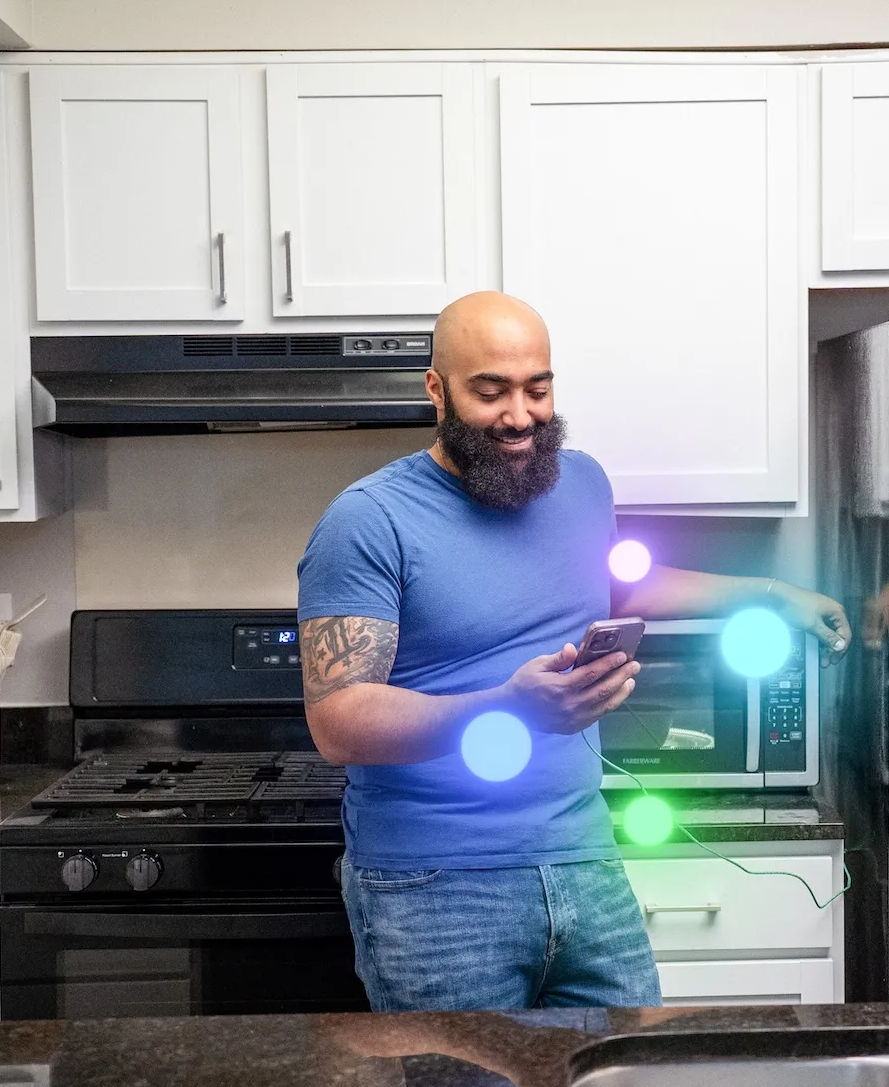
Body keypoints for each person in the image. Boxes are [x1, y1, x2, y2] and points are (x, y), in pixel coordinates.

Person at [296, 291, 851, 1012]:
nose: (520, 416)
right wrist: (510, 708)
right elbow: (337, 721)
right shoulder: (367, 521)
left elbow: (618, 585)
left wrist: (768, 594)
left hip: (586, 861)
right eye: (490, 392)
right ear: (437, 391)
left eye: (538, 388)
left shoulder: (580, 482)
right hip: (433, 885)